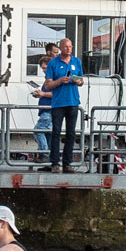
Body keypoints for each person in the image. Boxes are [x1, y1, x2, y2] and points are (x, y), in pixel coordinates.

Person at [43, 39, 83, 171]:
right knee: (56, 132)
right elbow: (48, 85)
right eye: (66, 46)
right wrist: (60, 81)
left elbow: (81, 80)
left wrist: (77, 81)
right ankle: (55, 162)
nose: (68, 48)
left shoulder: (76, 61)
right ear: (60, 48)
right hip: (58, 102)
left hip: (73, 101)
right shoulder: (53, 63)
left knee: (71, 133)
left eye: (70, 46)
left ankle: (67, 163)